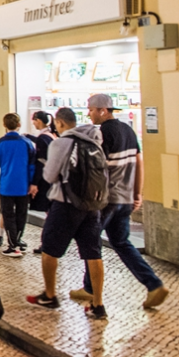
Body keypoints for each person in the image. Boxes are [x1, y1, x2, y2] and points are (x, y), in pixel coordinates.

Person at [71, 94, 169, 309]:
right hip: (124, 199)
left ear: (103, 110)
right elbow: (139, 162)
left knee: (90, 240)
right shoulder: (128, 130)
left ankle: (91, 291)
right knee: (121, 242)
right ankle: (153, 284)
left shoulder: (102, 133)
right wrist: (137, 193)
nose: (88, 113)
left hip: (107, 200)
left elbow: (97, 170)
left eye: (91, 109)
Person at [26, 107, 107, 320]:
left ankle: (50, 295)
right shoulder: (93, 142)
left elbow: (51, 175)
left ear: (60, 123)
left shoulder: (61, 143)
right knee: (93, 252)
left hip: (66, 204)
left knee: (50, 249)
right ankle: (98, 304)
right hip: (91, 206)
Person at [0, 113, 35, 257]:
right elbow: (32, 166)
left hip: (6, 185)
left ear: (4, 125)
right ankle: (18, 241)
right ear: (19, 125)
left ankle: (12, 244)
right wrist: (32, 183)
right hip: (23, 186)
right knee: (21, 214)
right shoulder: (27, 143)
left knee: (8, 215)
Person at [25, 111, 56, 220]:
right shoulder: (50, 135)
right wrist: (29, 136)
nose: (33, 124)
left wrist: (35, 183)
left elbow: (40, 162)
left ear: (38, 121)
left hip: (44, 178)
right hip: (52, 176)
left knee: (47, 207)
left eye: (34, 122)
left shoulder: (43, 138)